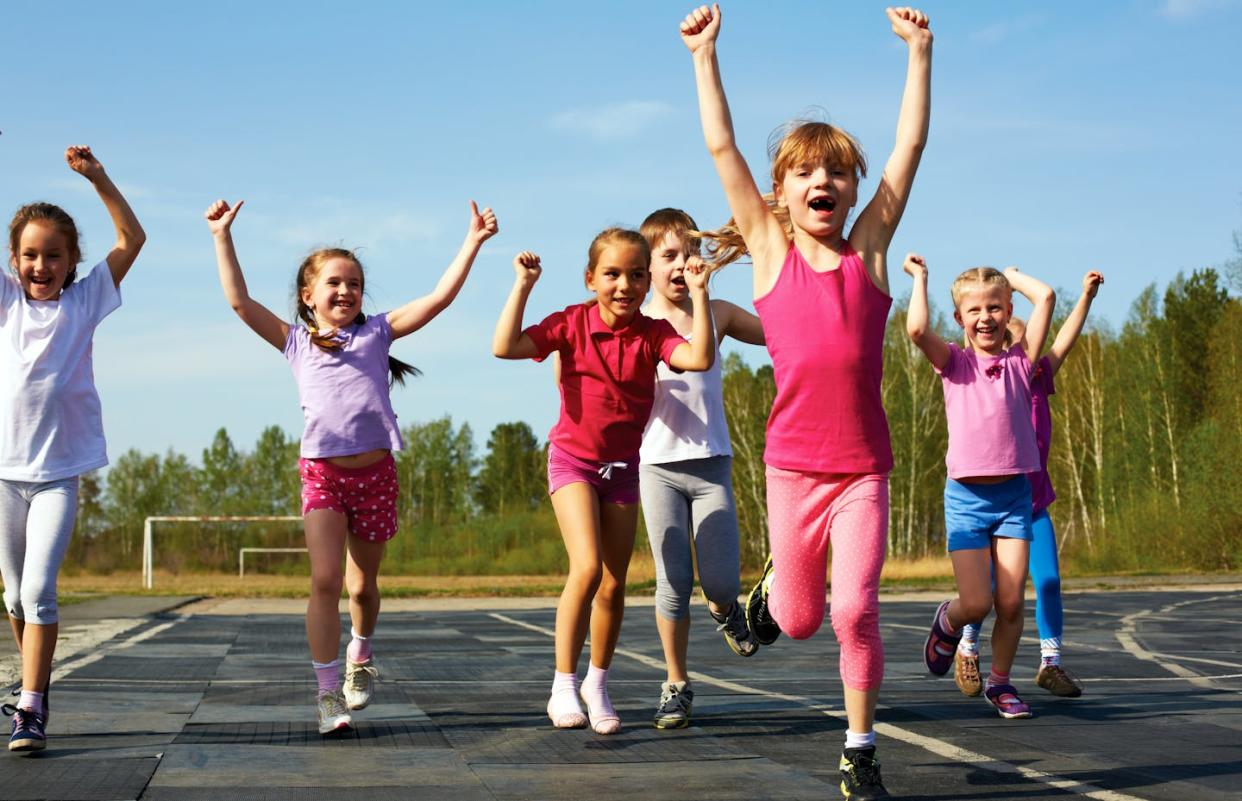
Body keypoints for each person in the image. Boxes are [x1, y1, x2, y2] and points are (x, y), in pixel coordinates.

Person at [679, 4, 931, 796]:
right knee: (797, 620)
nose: (824, 181)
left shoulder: (871, 253)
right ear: (781, 195)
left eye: (838, 172)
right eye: (804, 173)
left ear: (854, 190)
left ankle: (860, 748)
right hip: (792, 471)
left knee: (855, 610)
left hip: (863, 472)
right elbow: (721, 146)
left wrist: (919, 55)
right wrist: (704, 56)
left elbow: (910, 147)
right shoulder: (768, 252)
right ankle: (769, 594)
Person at [206, 197, 497, 734]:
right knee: (324, 579)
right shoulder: (295, 342)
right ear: (308, 295)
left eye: (354, 284)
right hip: (323, 474)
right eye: (334, 283)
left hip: (376, 476)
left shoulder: (378, 333)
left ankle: (359, 657)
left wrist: (472, 242)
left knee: (362, 588)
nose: (345, 291)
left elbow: (439, 298)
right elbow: (241, 302)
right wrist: (222, 235)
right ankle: (325, 695)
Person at [492, 228, 714, 735]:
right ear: (591, 278)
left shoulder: (654, 332)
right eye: (612, 274)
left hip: (623, 471)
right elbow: (504, 346)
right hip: (573, 462)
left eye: (637, 275)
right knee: (587, 568)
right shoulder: (571, 323)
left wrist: (700, 296)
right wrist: (523, 286)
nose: (625, 285)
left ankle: (597, 682)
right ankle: (563, 684)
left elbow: (699, 358)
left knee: (615, 583)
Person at [1, 146, 146, 752]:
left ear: (71, 261)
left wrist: (97, 176)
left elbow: (132, 237)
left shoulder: (84, 301)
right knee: (13, 594)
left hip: (59, 472)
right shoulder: (6, 302)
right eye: (30, 255)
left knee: (39, 591)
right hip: (3, 474)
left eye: (53, 256)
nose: (41, 265)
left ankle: (31, 705)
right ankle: (32, 683)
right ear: (13, 261)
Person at [903, 254, 1056, 721]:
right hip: (967, 500)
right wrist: (920, 279)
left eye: (995, 308)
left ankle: (1001, 683)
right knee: (976, 602)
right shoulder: (953, 362)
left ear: (1008, 313)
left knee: (1011, 602)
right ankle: (947, 622)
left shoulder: (1020, 362)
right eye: (975, 310)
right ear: (960, 319)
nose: (986, 318)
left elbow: (1046, 296)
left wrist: (1011, 279)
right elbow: (915, 331)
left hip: (1013, 498)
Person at [637, 208, 766, 730]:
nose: (682, 263)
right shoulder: (636, 322)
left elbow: (780, 334)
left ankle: (726, 609)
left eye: (691, 252)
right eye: (669, 255)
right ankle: (676, 684)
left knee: (716, 584)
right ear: (646, 267)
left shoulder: (719, 313)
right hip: (657, 468)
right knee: (672, 583)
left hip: (711, 465)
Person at [954, 271, 1104, 699]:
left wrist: (1087, 297)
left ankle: (1050, 663)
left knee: (1049, 582)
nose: (1020, 340)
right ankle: (967, 647)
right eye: (1014, 337)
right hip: (988, 502)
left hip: (1032, 504)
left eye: (1020, 329)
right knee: (985, 592)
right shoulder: (988, 376)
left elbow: (1065, 340)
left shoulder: (1036, 377)